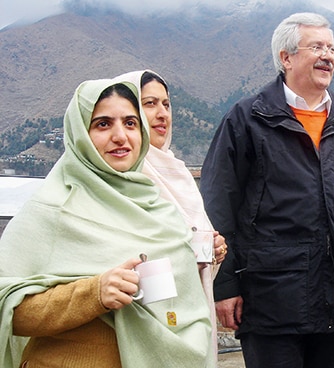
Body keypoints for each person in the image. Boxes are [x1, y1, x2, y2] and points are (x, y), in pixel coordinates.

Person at [199, 12, 334, 368]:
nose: (328, 55)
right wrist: (225, 286)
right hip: (271, 298)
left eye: (332, 48)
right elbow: (217, 205)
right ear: (286, 58)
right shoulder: (248, 119)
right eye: (316, 46)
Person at [0, 78, 213, 367]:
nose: (120, 136)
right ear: (80, 135)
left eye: (130, 123)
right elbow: (8, 309)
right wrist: (93, 293)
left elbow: (185, 309)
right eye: (102, 124)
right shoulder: (54, 209)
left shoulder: (161, 212)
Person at [116, 69, 228, 363]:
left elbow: (192, 240)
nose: (162, 113)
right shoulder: (125, 174)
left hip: (190, 311)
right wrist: (183, 252)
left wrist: (213, 250)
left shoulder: (177, 171)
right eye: (149, 104)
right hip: (147, 311)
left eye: (166, 104)